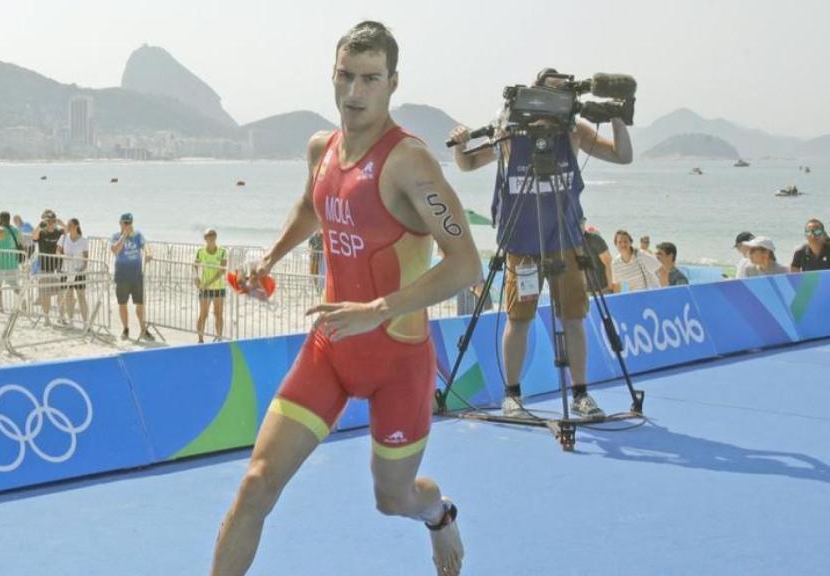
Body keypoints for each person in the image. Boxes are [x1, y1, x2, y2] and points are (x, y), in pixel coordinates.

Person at [211, 22, 480, 576]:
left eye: (370, 79)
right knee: (257, 483)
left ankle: (438, 513)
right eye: (346, 76)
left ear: (392, 83)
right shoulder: (322, 149)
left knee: (393, 498)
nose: (355, 92)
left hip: (398, 361)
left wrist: (377, 311)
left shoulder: (411, 162)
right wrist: (270, 257)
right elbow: (313, 206)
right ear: (332, 75)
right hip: (330, 349)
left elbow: (466, 264)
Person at [448, 67, 633, 420]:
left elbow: (623, 156)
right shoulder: (509, 131)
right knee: (519, 318)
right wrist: (459, 145)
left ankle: (581, 395)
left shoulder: (573, 131)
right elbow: (468, 163)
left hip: (566, 238)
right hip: (521, 243)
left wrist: (618, 118)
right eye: (549, 94)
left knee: (575, 317)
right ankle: (512, 396)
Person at [110, 212, 154, 341]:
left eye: (130, 223)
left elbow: (145, 245)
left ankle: (143, 329)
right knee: (122, 303)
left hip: (136, 276)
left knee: (140, 303)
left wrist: (148, 253)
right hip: (122, 276)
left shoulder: (137, 235)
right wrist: (124, 235)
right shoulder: (115, 236)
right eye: (126, 223)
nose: (128, 225)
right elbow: (115, 250)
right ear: (120, 223)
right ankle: (125, 329)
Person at [194, 228, 228, 343]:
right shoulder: (200, 251)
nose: (212, 237)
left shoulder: (222, 251)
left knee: (218, 314)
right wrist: (195, 277)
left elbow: (222, 271)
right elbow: (194, 265)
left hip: (218, 287)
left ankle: (219, 338)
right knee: (203, 314)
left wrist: (209, 282)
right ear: (205, 238)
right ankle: (200, 339)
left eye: (213, 234)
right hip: (205, 288)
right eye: (209, 235)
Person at [32, 209, 65, 322]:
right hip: (45, 268)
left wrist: (61, 223)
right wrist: (40, 225)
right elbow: (34, 237)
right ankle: (46, 318)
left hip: (58, 269)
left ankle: (61, 316)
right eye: (48, 221)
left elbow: (71, 234)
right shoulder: (41, 232)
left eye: (52, 221)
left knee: (61, 293)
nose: (51, 224)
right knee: (45, 295)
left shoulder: (59, 232)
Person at [58, 218, 90, 327]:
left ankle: (86, 323)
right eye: (68, 225)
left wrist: (83, 269)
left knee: (81, 296)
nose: (69, 227)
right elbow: (57, 252)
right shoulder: (63, 237)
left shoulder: (83, 240)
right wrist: (63, 256)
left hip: (78, 272)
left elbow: (86, 258)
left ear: (77, 226)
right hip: (65, 270)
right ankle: (71, 321)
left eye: (71, 225)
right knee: (68, 296)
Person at [582, 222, 613, 294]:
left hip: (602, 290)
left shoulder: (597, 241)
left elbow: (608, 263)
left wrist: (609, 287)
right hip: (587, 291)